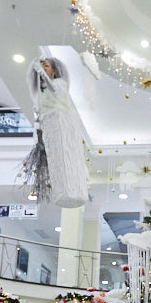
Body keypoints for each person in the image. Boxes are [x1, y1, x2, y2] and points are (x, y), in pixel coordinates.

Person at [21, 57, 89, 208]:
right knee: (56, 157)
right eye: (42, 66)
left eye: (46, 66)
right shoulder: (41, 90)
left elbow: (54, 90)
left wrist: (41, 72)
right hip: (49, 123)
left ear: (54, 70)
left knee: (66, 153)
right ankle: (62, 190)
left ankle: (73, 189)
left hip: (61, 120)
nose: (44, 68)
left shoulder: (59, 83)